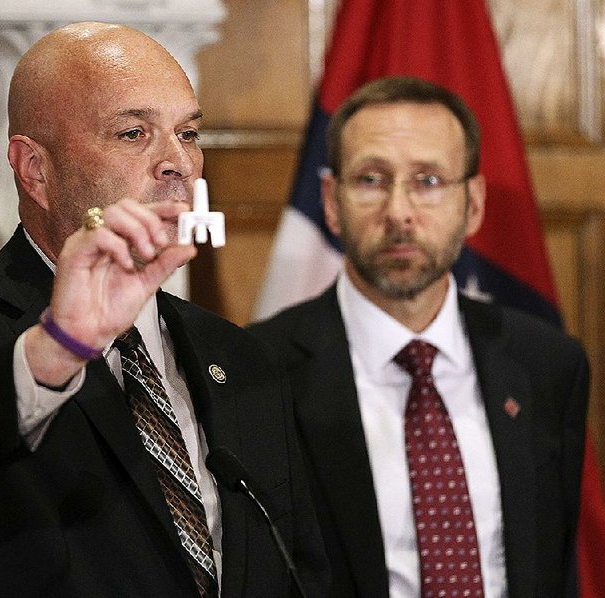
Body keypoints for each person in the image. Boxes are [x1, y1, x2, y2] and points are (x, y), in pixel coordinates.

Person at [0, 22, 328, 597]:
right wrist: (55, 350)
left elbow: (299, 572)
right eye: (134, 133)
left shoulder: (238, 356)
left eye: (188, 134)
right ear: (35, 169)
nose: (179, 163)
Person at [249, 76, 589, 598]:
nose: (399, 212)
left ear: (472, 203)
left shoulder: (548, 364)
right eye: (370, 179)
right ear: (331, 202)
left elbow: (554, 567)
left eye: (428, 181)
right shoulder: (258, 371)